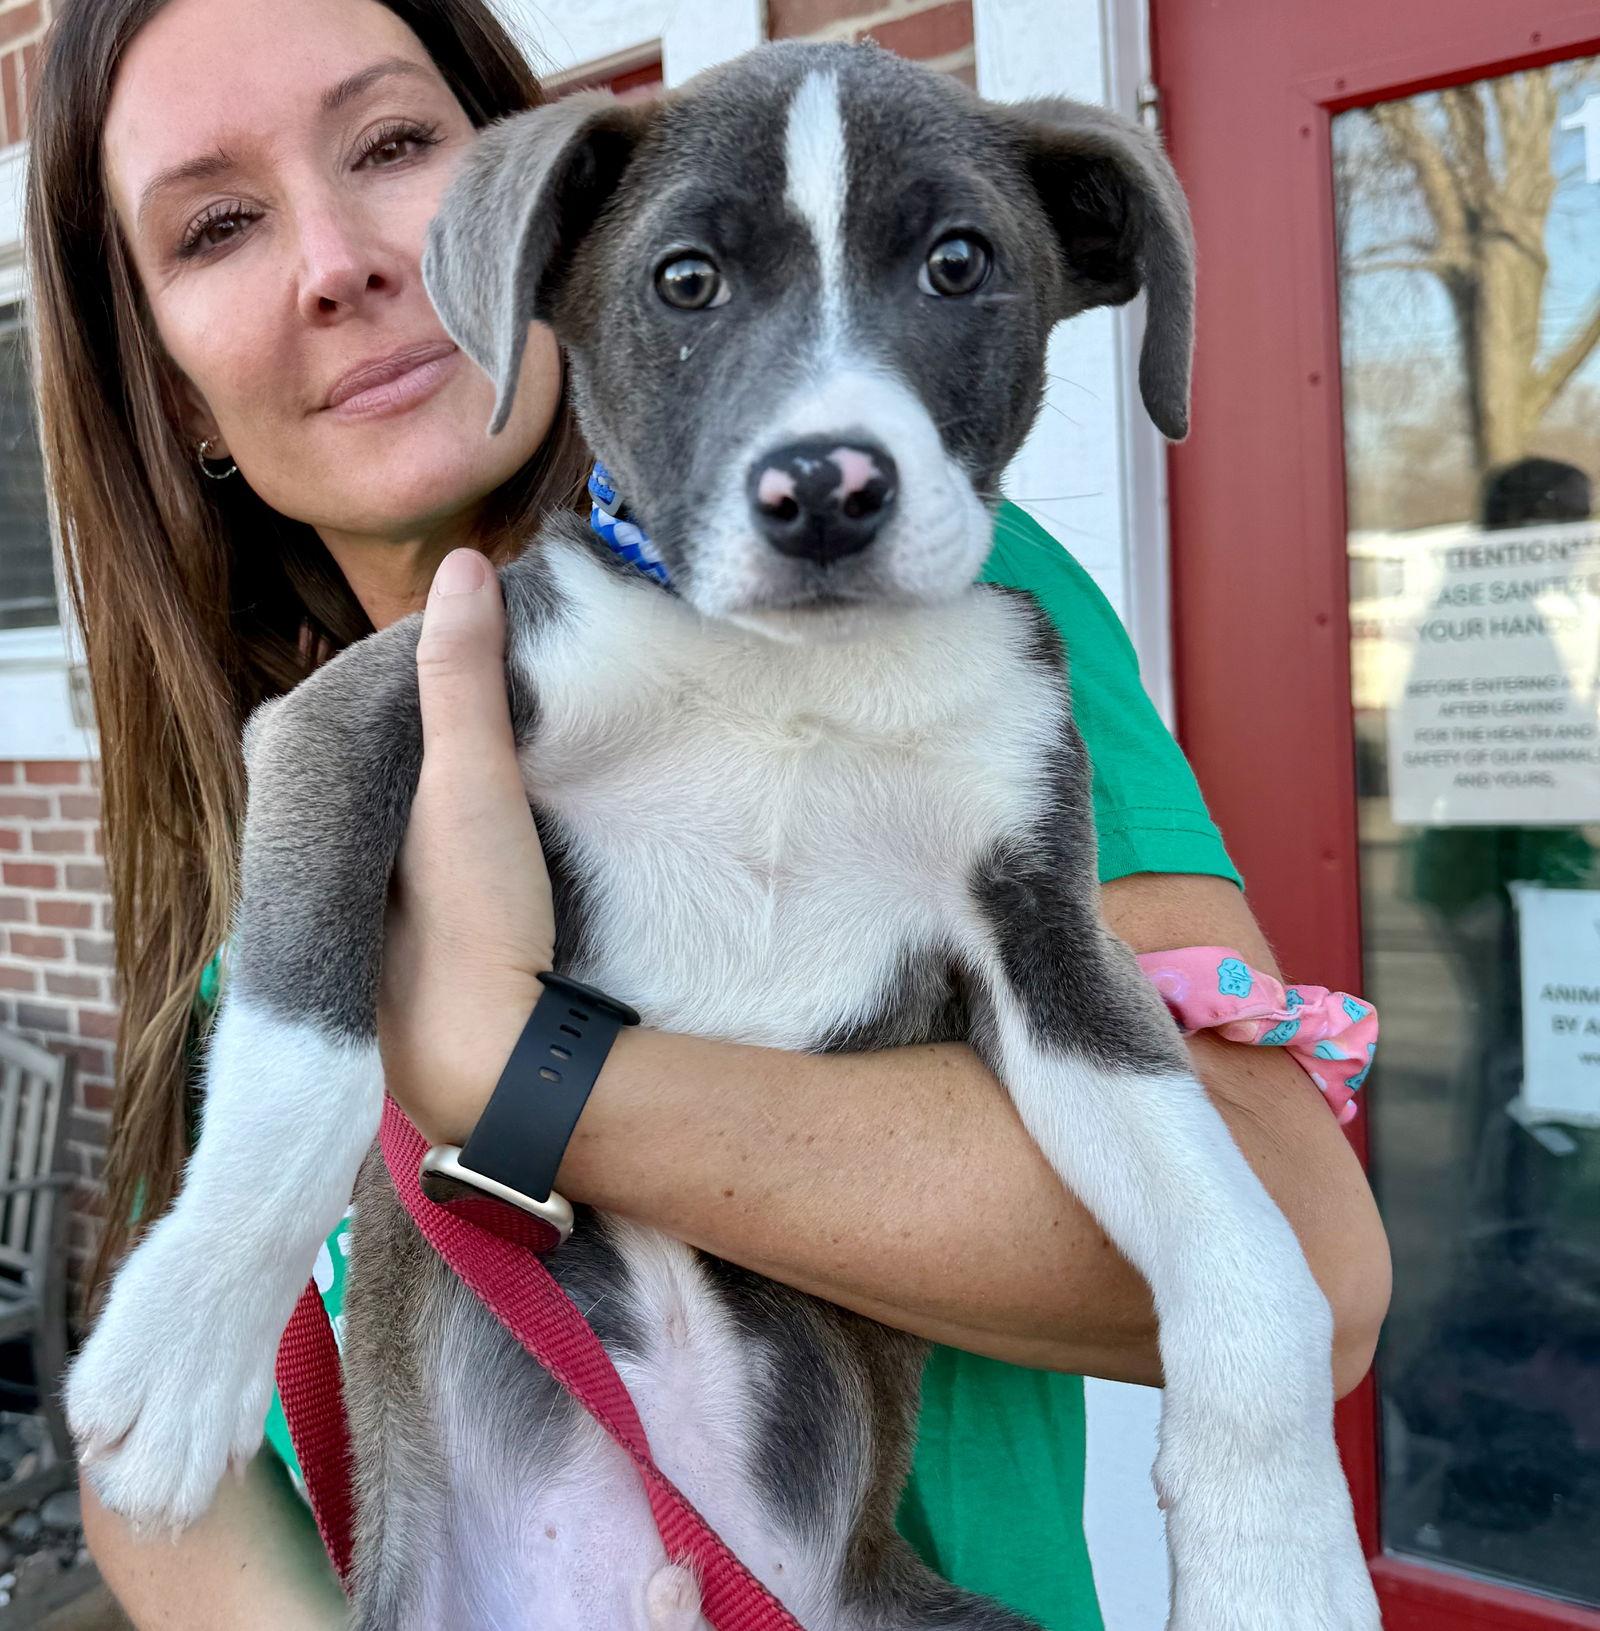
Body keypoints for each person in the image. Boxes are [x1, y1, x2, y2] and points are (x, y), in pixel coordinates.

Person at [26, 0, 1391, 1625]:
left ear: (509, 209)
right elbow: (158, 1457)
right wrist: (244, 1232)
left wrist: (514, 1075)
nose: (334, 260)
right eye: (219, 226)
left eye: (391, 144)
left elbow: (1317, 1257)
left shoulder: (928, 609)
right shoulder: (284, 886)